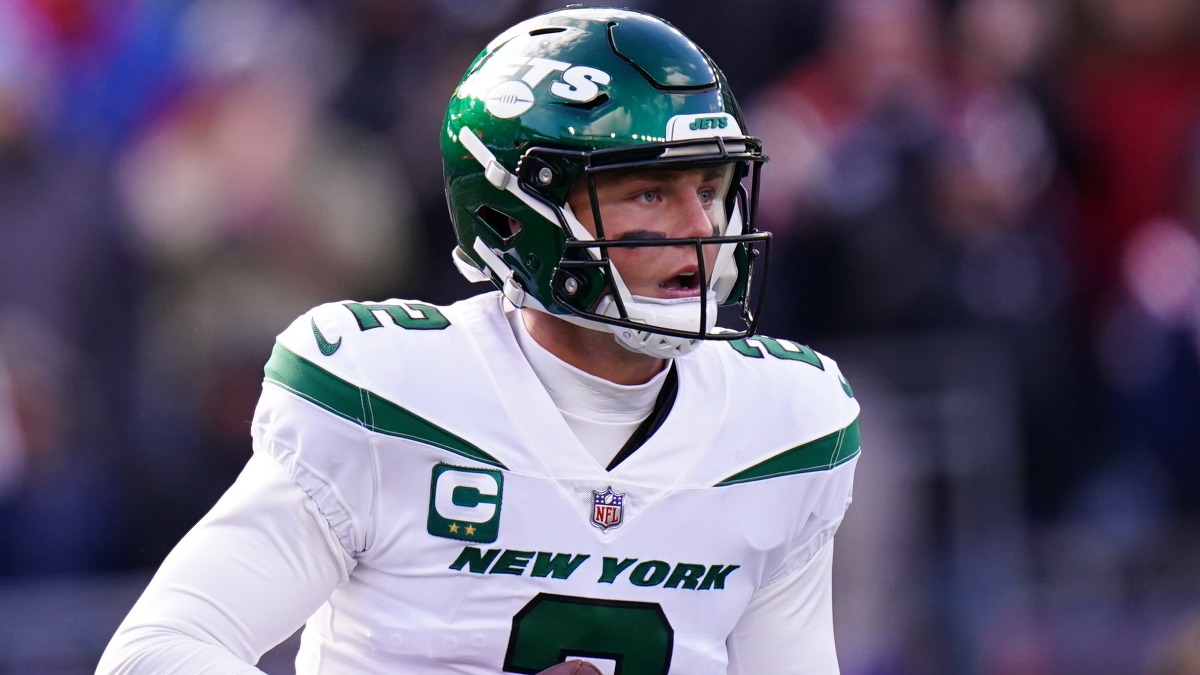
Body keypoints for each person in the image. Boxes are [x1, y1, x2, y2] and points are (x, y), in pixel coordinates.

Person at [97, 7, 861, 674]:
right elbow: (156, 651)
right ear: (515, 213)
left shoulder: (784, 423)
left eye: (712, 188)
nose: (702, 230)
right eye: (651, 192)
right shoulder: (388, 391)